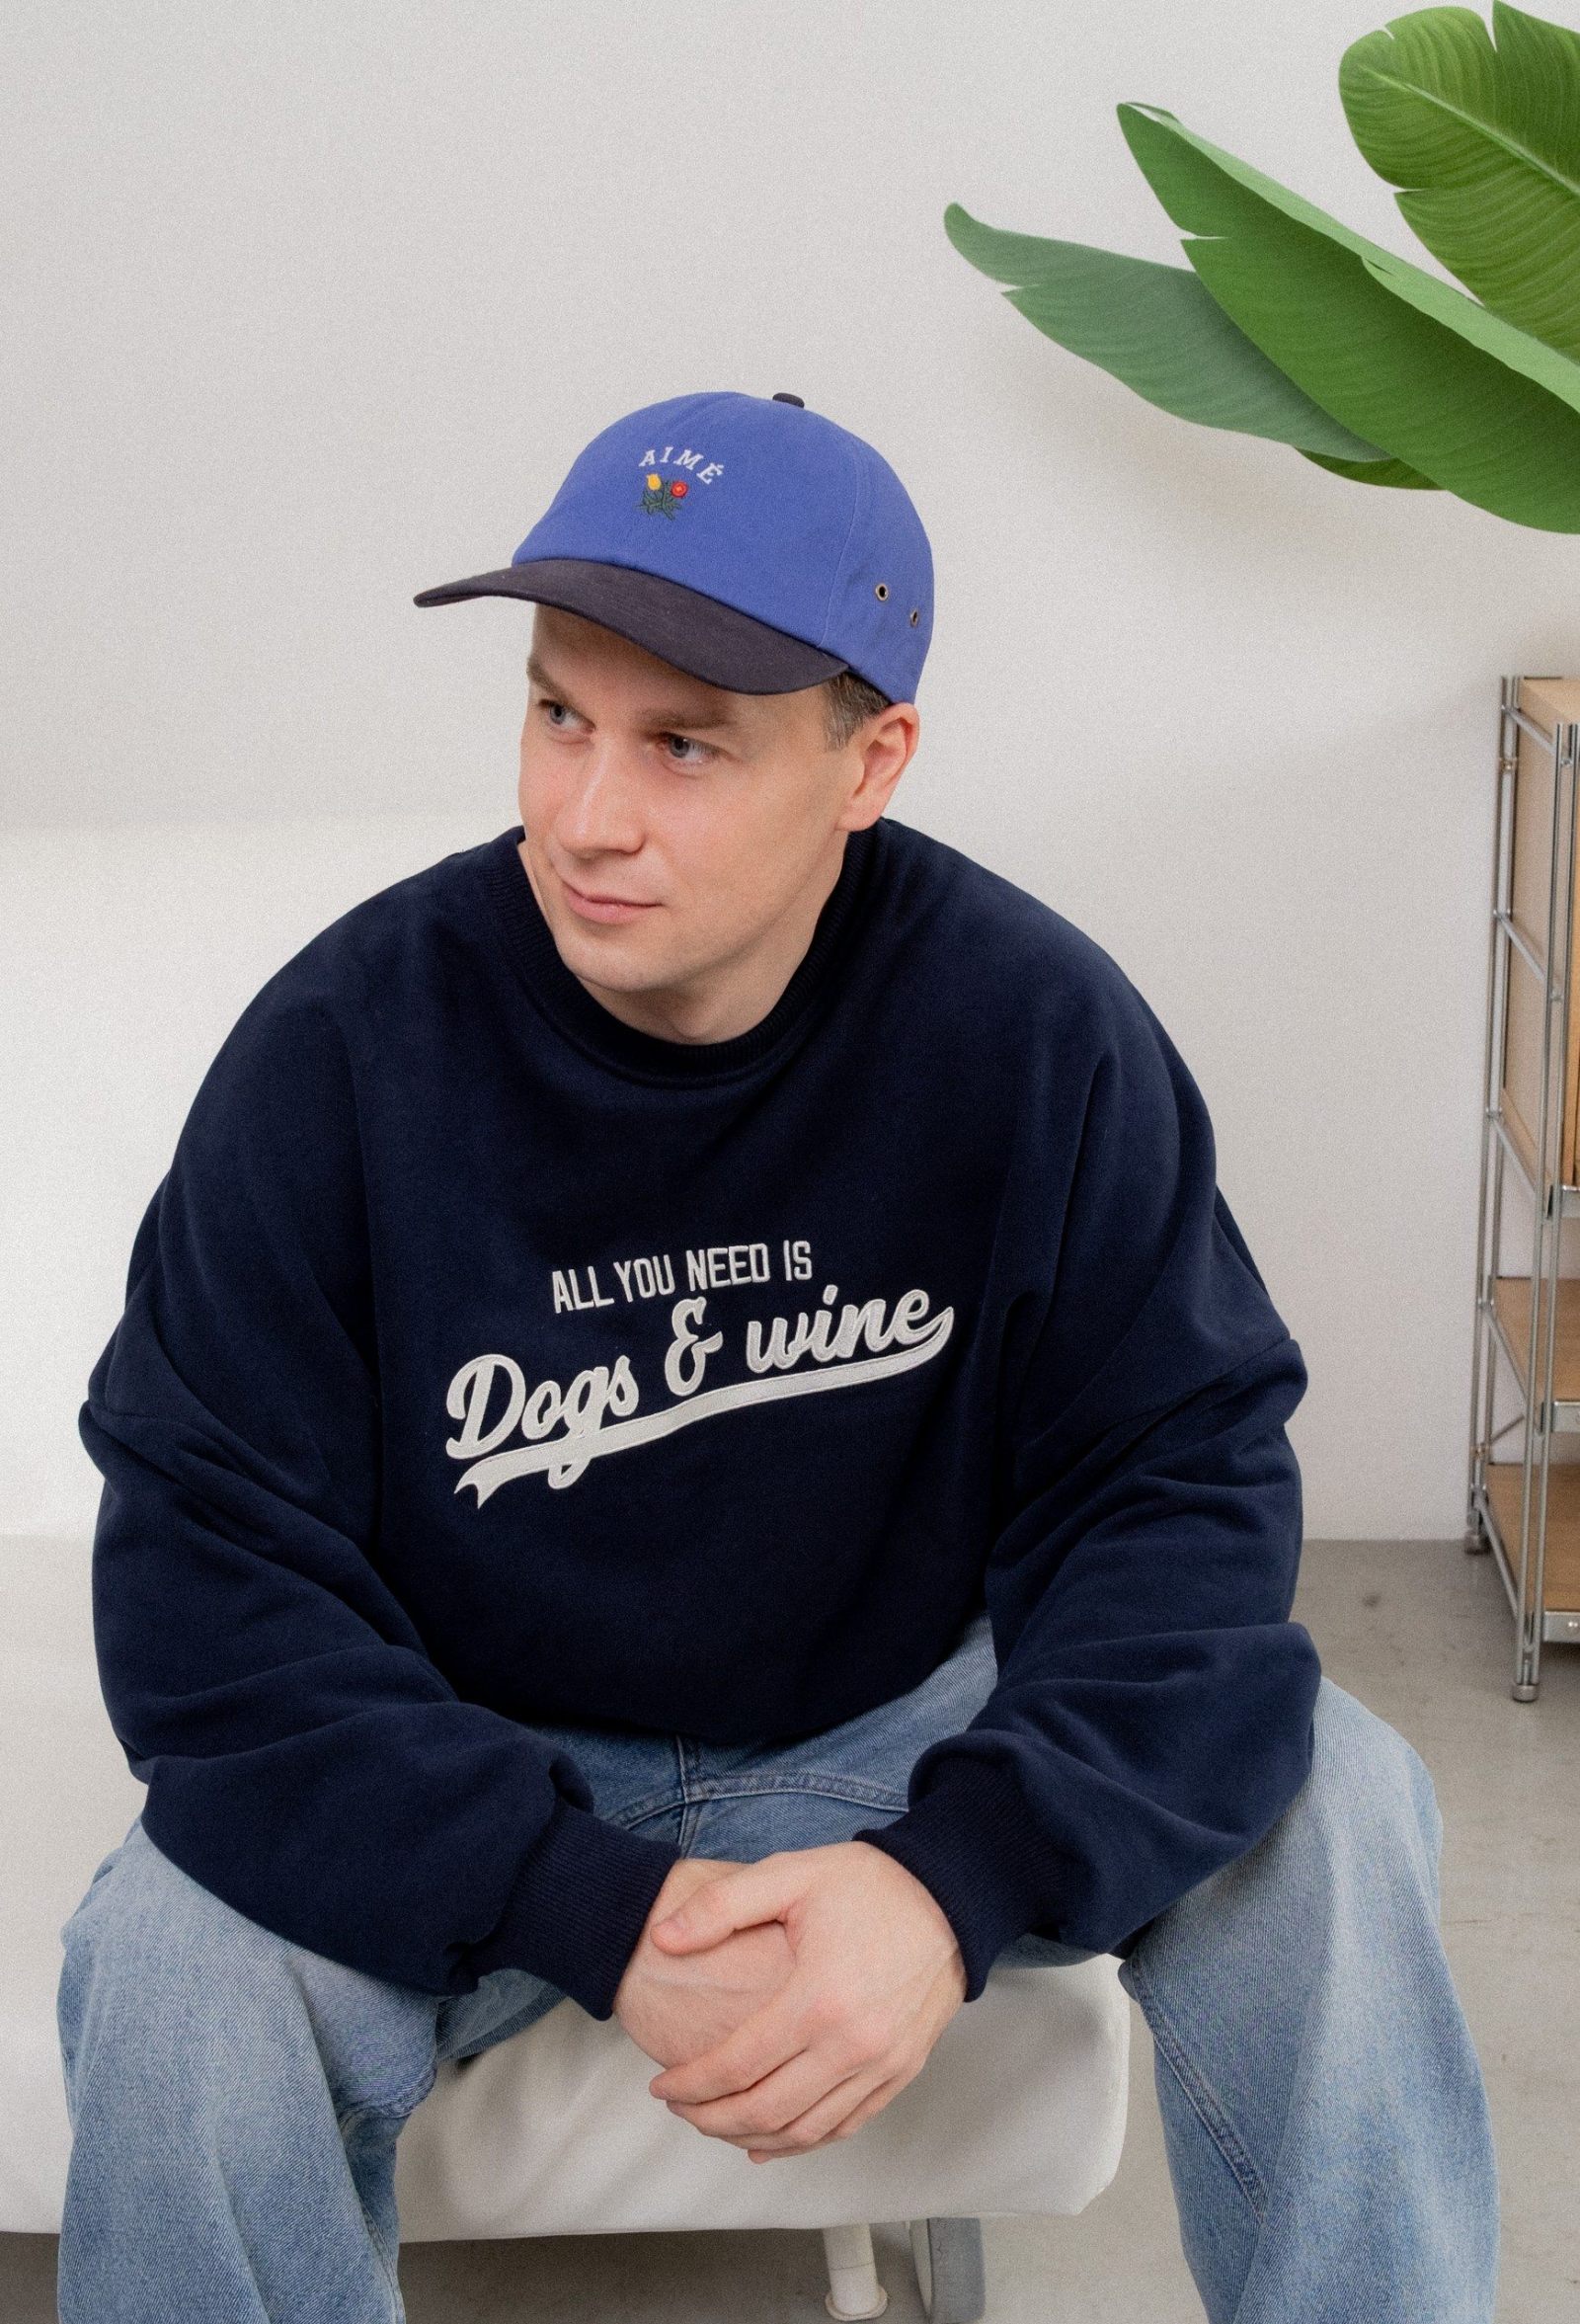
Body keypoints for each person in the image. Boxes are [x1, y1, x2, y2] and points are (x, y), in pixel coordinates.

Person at [56, 388, 1499, 2323]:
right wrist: (584, 1904)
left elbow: (1173, 1491)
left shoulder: (1031, 1032)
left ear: (867, 760)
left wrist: (951, 1878)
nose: (587, 813)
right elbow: (205, 1578)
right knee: (168, 1969)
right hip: (473, 1736)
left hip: (900, 1720)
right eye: (556, 713)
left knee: (1333, 1800)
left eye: (683, 743)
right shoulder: (340, 1051)